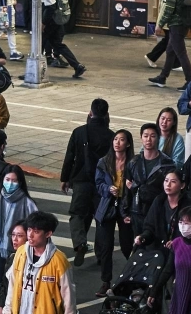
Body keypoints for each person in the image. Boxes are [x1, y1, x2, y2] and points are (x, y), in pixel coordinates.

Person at [61, 99, 114, 265]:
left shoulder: (79, 132)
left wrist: (65, 178)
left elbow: (70, 157)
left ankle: (80, 243)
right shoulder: (112, 136)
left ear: (90, 113)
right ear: (106, 115)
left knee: (77, 214)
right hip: (102, 185)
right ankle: (101, 254)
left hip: (81, 181)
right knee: (100, 219)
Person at [94, 130, 136, 296]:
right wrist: (106, 188)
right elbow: (97, 184)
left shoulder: (133, 163)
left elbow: (139, 183)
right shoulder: (104, 162)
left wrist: (132, 186)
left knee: (128, 246)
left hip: (125, 207)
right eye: (115, 139)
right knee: (106, 247)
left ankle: (133, 278)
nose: (117, 142)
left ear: (128, 144)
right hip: (108, 206)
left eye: (122, 140)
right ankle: (106, 282)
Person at [0, 165, 37, 285]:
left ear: (20, 182)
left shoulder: (27, 203)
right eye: (7, 180)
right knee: (0, 282)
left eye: (14, 181)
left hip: (21, 250)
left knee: (16, 282)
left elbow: (35, 226)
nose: (10, 183)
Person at [149, 0, 191, 90]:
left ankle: (190, 82)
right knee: (170, 51)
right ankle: (162, 77)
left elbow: (168, 11)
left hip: (176, 26)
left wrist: (159, 25)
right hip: (183, 25)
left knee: (181, 54)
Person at [127, 123, 177, 237]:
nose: (148, 139)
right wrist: (125, 211)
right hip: (136, 212)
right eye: (145, 136)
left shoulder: (167, 164)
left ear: (159, 138)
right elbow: (127, 188)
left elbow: (170, 190)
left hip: (158, 213)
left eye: (153, 136)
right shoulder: (134, 162)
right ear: (141, 138)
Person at [42, 0, 87, 78]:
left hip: (51, 21)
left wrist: (43, 23)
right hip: (59, 19)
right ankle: (77, 66)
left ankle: (33, 72)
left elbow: (50, 8)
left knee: (39, 44)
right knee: (58, 45)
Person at [135, 169, 191, 250]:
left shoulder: (189, 204)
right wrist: (143, 237)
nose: (168, 184)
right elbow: (150, 226)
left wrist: (178, 242)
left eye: (173, 181)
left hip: (183, 250)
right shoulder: (159, 201)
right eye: (166, 181)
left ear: (182, 185)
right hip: (159, 250)